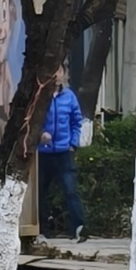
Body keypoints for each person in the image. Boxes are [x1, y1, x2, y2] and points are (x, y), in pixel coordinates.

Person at [38, 76, 85, 239]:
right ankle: (42, 229)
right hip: (43, 153)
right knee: (40, 192)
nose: (57, 75)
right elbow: (31, 121)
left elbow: (76, 122)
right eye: (53, 70)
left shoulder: (69, 96)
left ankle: (79, 228)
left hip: (64, 152)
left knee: (70, 190)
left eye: (60, 70)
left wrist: (73, 143)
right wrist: (39, 135)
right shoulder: (39, 95)